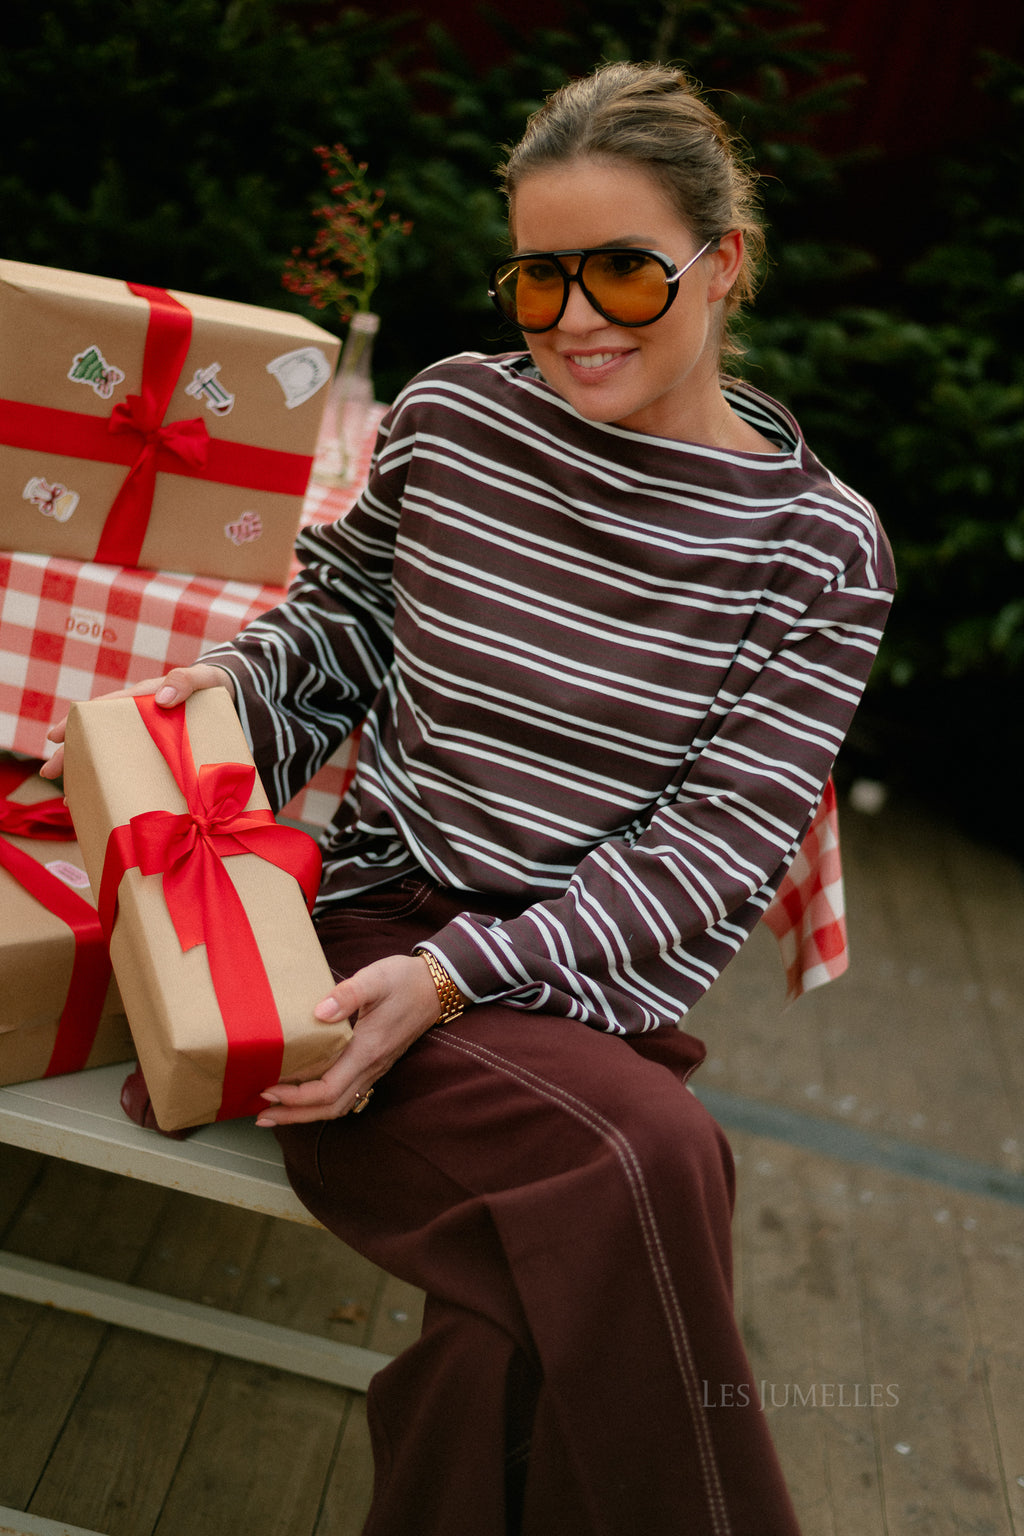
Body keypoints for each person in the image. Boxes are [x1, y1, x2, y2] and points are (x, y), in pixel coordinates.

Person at [46, 61, 895, 1536]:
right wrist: (230, 693)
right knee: (660, 1154)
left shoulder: (822, 551)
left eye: (622, 272)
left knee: (520, 1321)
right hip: (367, 934)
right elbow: (342, 627)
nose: (573, 320)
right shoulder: (452, 418)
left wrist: (458, 982)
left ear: (722, 263)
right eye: (537, 279)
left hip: (577, 1003)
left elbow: (714, 854)